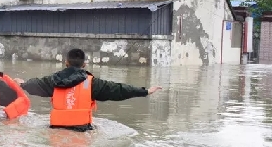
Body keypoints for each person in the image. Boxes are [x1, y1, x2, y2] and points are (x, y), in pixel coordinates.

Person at [14, 48, 162, 131]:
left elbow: (35, 85)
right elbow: (119, 90)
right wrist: (145, 91)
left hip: (56, 129)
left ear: (66, 62)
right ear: (84, 65)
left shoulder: (53, 81)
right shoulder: (92, 83)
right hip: (82, 131)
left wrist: (22, 84)